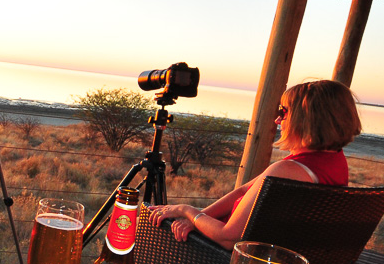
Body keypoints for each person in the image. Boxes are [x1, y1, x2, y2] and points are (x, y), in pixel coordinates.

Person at [152, 79, 362, 248]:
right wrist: (200, 218)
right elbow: (243, 190)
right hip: (273, 256)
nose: (277, 120)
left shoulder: (286, 171)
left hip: (235, 262)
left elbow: (229, 238)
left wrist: (186, 210)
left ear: (306, 119)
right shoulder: (334, 162)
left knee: (155, 225)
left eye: (284, 112)